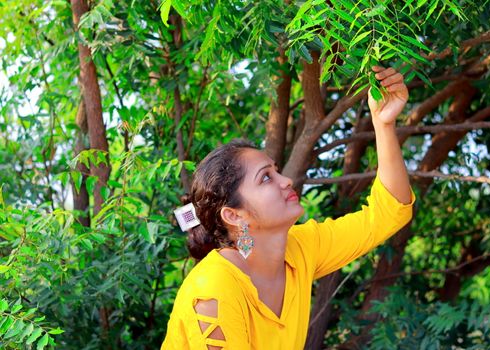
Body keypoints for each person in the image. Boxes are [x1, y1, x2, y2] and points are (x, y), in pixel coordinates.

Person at [161, 66, 415, 349]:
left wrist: (383, 124)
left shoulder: (301, 249)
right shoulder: (213, 290)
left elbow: (389, 213)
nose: (287, 181)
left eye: (276, 170)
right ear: (234, 215)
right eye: (266, 178)